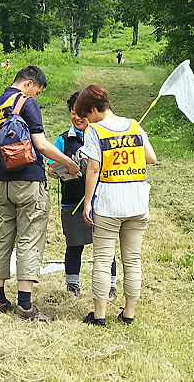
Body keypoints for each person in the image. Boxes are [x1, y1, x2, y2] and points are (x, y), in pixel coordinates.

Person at [0, 66, 80, 322]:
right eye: (36, 91)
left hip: (1, 183)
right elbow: (41, 144)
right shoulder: (25, 103)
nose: (35, 97)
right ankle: (25, 305)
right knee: (29, 237)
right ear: (28, 84)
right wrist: (68, 163)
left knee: (2, 236)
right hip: (28, 182)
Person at [77, 84, 157, 327]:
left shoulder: (95, 131)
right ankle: (129, 313)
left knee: (102, 258)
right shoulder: (134, 125)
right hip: (137, 201)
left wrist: (87, 202)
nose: (86, 120)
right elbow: (151, 157)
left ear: (94, 109)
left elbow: (93, 168)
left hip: (109, 203)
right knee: (132, 258)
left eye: (86, 115)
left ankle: (99, 315)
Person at [53, 91, 116, 298]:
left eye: (81, 113)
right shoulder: (63, 140)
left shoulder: (102, 136)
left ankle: (111, 286)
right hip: (72, 202)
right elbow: (51, 168)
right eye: (73, 112)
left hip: (102, 200)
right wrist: (60, 170)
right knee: (74, 245)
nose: (78, 117)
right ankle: (72, 287)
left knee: (106, 247)